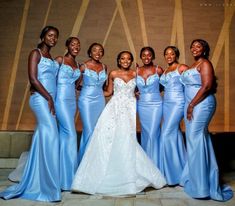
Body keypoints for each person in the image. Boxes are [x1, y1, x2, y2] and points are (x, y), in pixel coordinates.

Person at [71, 51, 166, 196]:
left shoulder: (136, 74)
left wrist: (139, 94)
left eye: (128, 59)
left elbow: (142, 89)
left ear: (131, 61)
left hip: (129, 108)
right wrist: (89, 90)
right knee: (108, 137)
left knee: (127, 138)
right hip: (114, 108)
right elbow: (108, 92)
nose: (125, 61)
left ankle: (127, 170)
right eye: (123, 58)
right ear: (119, 60)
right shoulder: (113, 74)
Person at [0, 26, 61, 202]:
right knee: (52, 136)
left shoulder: (50, 57)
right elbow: (33, 79)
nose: (53, 39)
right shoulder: (36, 54)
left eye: (56, 37)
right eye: (50, 35)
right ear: (42, 37)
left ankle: (38, 181)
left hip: (51, 100)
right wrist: (49, 97)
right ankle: (50, 187)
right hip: (40, 99)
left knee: (42, 137)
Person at [180, 39, 233, 201]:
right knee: (197, 139)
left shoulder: (205, 63)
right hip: (191, 104)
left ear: (204, 49)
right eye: (193, 46)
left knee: (195, 139)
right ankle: (200, 179)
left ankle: (202, 187)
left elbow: (207, 86)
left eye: (199, 46)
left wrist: (191, 105)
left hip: (201, 104)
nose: (195, 48)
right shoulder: (191, 66)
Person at [55, 37, 81, 191]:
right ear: (67, 46)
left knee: (65, 136)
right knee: (71, 134)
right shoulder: (60, 60)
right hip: (61, 100)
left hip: (72, 102)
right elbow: (49, 77)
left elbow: (77, 84)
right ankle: (69, 178)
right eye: (72, 44)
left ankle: (62, 175)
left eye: (78, 45)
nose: (76, 47)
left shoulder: (78, 65)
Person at [159, 46, 188, 185]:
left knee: (166, 133)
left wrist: (191, 105)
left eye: (172, 54)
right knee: (174, 134)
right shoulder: (165, 70)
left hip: (178, 103)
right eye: (166, 54)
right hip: (166, 104)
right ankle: (180, 170)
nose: (169, 56)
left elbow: (192, 84)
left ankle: (172, 174)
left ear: (176, 55)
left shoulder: (182, 68)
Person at [77, 42, 107, 164]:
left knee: (97, 130)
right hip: (86, 101)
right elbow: (76, 84)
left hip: (100, 100)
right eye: (95, 50)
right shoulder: (83, 66)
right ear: (90, 52)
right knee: (89, 130)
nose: (98, 53)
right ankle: (85, 163)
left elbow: (104, 87)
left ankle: (95, 164)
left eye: (100, 51)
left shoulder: (105, 67)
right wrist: (87, 89)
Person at [136, 46, 164, 168]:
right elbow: (133, 87)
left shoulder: (158, 70)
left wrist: (154, 92)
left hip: (156, 104)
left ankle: (155, 167)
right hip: (142, 105)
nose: (146, 57)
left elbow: (164, 86)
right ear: (141, 57)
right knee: (146, 134)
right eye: (144, 55)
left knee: (153, 133)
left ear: (152, 56)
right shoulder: (136, 71)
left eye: (149, 55)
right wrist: (136, 92)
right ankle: (145, 168)